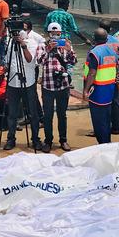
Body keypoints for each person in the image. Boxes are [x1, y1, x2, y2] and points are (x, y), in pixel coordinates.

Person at [37, 23, 76, 151]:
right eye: (53, 34)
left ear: (61, 34)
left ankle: (63, 140)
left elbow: (73, 62)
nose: (55, 36)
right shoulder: (42, 46)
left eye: (58, 34)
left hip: (63, 85)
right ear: (49, 34)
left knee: (62, 114)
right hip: (48, 85)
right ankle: (48, 140)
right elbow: (39, 61)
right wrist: (48, 49)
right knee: (48, 115)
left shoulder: (65, 45)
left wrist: (69, 49)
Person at [2, 29, 42, 151]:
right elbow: (8, 63)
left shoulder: (32, 44)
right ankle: (11, 139)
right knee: (12, 114)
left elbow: (30, 60)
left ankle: (35, 139)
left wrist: (23, 46)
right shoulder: (10, 44)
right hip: (13, 83)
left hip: (28, 83)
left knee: (32, 113)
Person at [83, 28, 119, 144]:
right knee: (106, 119)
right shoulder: (113, 51)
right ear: (106, 38)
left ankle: (103, 144)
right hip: (110, 89)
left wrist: (85, 90)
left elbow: (92, 73)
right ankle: (107, 142)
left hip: (98, 91)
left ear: (94, 38)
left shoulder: (94, 52)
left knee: (99, 121)